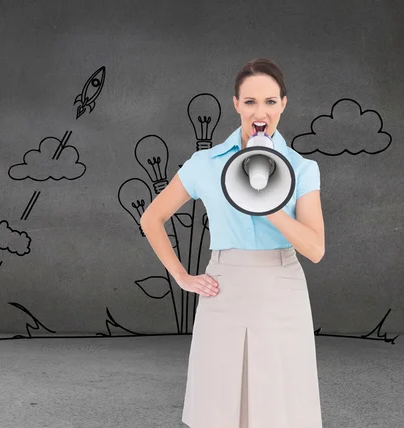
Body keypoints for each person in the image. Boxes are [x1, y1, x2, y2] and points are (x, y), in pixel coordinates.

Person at [140, 58, 324, 428]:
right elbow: (151, 218)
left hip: (282, 287)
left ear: (283, 104)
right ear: (236, 104)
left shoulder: (302, 168)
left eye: (271, 102)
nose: (261, 111)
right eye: (251, 101)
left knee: (282, 405)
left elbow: (315, 249)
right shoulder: (205, 163)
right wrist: (180, 275)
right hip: (223, 287)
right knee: (218, 402)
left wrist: (268, 204)